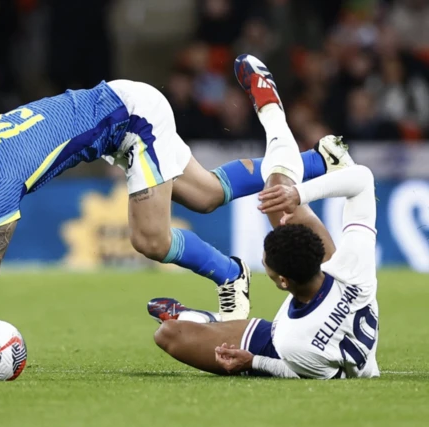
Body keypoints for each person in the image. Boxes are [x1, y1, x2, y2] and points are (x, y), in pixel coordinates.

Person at [0, 59, 342, 373]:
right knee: (207, 195)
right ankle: (323, 160)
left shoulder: (1, 178)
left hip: (130, 119)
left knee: (149, 240)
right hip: (118, 110)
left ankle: (229, 272)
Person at [149, 55, 379, 379]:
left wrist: (253, 362)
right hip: (318, 334)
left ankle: (206, 320)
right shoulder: (351, 270)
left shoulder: (290, 339)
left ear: (282, 282)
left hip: (300, 346)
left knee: (169, 334)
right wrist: (299, 195)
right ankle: (281, 120)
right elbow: (363, 179)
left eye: (265, 263)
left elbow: (302, 372)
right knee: (277, 199)